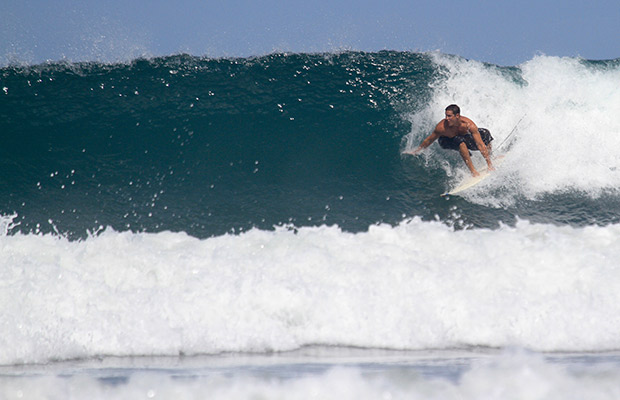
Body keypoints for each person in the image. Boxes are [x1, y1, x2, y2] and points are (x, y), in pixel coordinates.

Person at [403, 104, 494, 176]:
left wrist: (489, 165)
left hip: (462, 137)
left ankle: (491, 158)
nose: (447, 118)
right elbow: (429, 140)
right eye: (446, 115)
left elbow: (480, 144)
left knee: (485, 133)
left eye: (449, 116)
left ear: (457, 115)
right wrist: (417, 150)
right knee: (460, 142)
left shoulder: (468, 125)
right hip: (445, 141)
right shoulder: (442, 127)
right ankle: (473, 172)